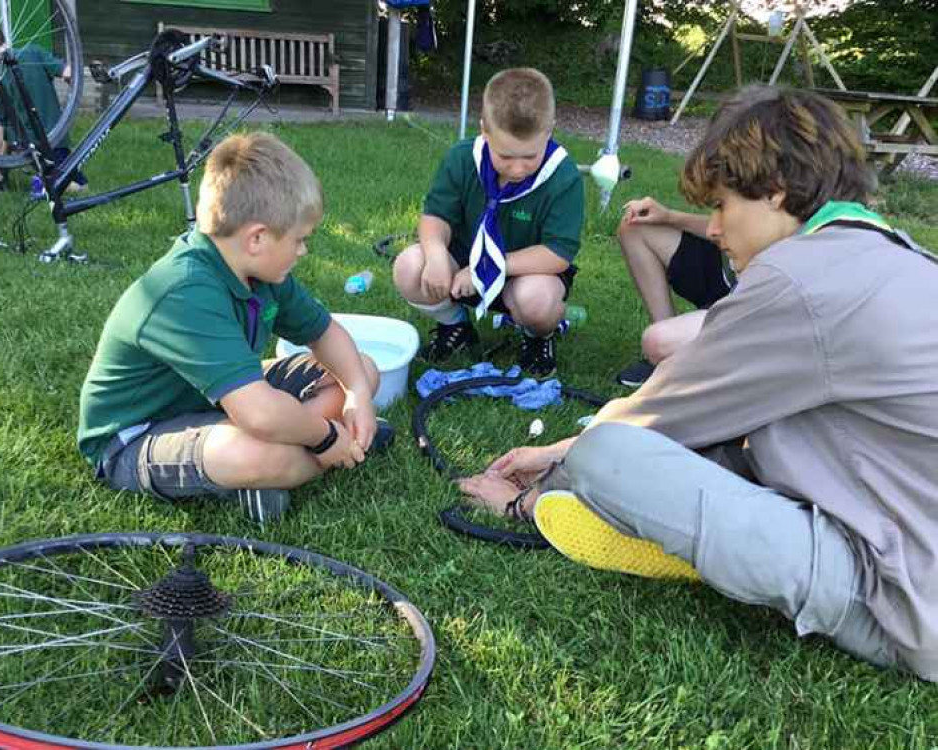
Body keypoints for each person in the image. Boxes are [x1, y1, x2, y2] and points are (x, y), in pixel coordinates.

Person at [458, 85, 938, 681]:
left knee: (607, 454)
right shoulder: (893, 250)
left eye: (722, 205)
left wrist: (534, 488)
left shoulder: (795, 279)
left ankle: (652, 531)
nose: (711, 228)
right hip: (897, 518)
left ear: (777, 192)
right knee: (733, 441)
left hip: (904, 594)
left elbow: (657, 416)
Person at [78, 132, 387, 526]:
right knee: (262, 452)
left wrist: (358, 396)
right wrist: (326, 437)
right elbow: (259, 414)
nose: (303, 251)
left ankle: (304, 455)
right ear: (257, 238)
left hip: (222, 400)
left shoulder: (264, 272)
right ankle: (315, 456)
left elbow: (325, 333)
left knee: (362, 369)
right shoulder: (185, 289)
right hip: (135, 436)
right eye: (300, 240)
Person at [392, 67, 584, 379]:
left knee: (538, 300)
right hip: (461, 270)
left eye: (530, 156)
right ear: (484, 130)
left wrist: (488, 266)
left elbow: (558, 252)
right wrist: (438, 255)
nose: (518, 169)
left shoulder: (563, 176)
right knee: (409, 266)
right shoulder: (462, 158)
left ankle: (538, 338)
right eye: (505, 156)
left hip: (524, 276)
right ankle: (456, 325)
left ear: (549, 130)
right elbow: (435, 217)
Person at [0, 14, 86, 192]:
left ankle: (41, 181)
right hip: (57, 139)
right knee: (79, 183)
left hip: (27, 148)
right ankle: (65, 180)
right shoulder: (33, 51)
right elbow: (68, 72)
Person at [613, 196, 732, 388]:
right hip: (725, 268)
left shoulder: (778, 191)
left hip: (752, 297)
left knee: (659, 340)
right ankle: (665, 356)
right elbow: (723, 229)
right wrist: (667, 217)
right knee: (634, 227)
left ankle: (679, 351)